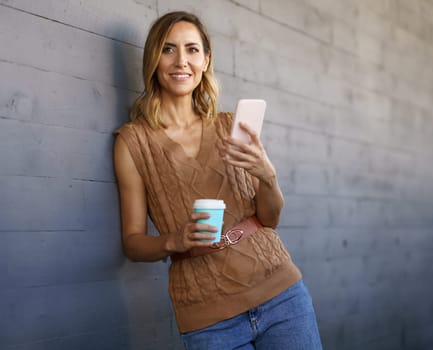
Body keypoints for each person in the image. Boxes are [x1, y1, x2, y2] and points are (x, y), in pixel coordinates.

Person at [113, 11, 323, 350]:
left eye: (192, 49)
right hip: (208, 317)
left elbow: (270, 219)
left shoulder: (231, 125)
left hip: (281, 294)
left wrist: (268, 176)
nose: (181, 60)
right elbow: (132, 243)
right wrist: (173, 241)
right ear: (153, 58)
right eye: (168, 49)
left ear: (206, 60)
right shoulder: (133, 143)